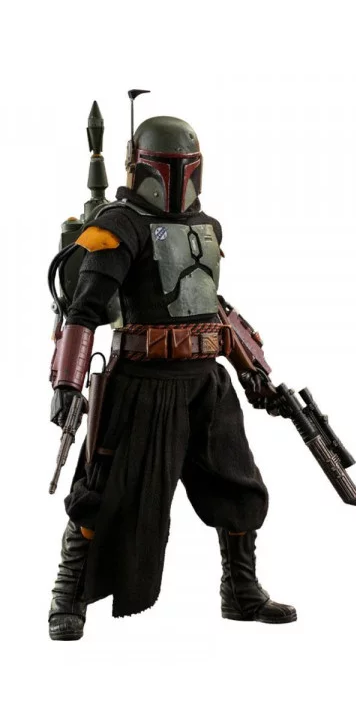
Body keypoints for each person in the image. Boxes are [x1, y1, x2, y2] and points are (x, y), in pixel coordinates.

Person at [48, 114, 296, 640]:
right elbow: (84, 310)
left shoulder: (208, 227)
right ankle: (69, 594)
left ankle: (241, 590)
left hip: (206, 384)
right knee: (101, 488)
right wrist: (67, 385)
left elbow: (212, 308)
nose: (179, 177)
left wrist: (252, 371)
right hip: (140, 386)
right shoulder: (119, 226)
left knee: (238, 485)